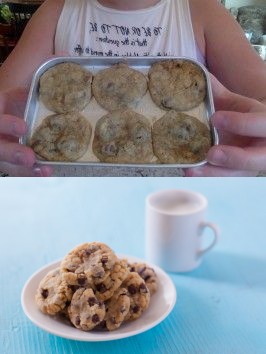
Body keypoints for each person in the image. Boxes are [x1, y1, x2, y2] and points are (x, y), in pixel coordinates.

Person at [0, 0, 265, 176]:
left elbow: (259, 89)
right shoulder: (57, 10)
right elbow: (6, 97)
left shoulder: (202, 11)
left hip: (179, 202)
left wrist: (255, 136)